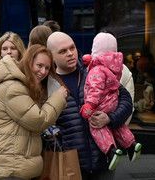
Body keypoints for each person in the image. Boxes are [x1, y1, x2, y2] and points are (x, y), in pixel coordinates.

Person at [47, 31, 134, 178]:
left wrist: (110, 118)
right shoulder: (49, 84)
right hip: (71, 166)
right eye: (63, 51)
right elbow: (44, 124)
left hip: (103, 161)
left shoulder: (94, 71)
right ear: (51, 56)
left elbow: (126, 100)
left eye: (72, 48)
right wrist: (61, 147)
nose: (70, 53)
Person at [0, 44, 68, 179]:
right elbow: (38, 121)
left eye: (47, 68)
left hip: (12, 164)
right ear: (28, 62)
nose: (43, 71)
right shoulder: (14, 87)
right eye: (39, 66)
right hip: (10, 167)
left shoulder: (21, 84)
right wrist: (58, 97)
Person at [80, 33, 142, 168]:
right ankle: (131, 145)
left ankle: (111, 151)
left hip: (99, 106)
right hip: (112, 104)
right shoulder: (117, 68)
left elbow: (95, 90)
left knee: (97, 126)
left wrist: (90, 106)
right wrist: (112, 118)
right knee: (119, 127)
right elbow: (124, 98)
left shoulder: (94, 69)